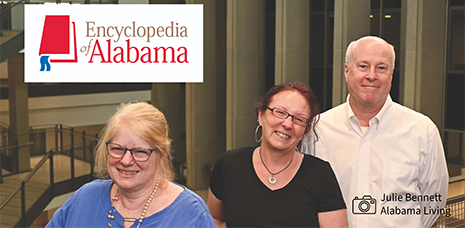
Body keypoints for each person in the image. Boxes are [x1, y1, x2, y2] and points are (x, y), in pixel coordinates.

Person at [302, 36, 449, 228]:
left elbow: (433, 200)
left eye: (381, 68)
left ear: (391, 74)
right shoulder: (318, 130)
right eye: (363, 66)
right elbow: (308, 195)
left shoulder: (422, 130)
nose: (372, 75)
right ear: (347, 71)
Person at [45, 102, 216, 228]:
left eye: (140, 152)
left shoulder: (193, 215)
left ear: (161, 156)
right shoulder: (84, 197)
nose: (126, 161)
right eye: (117, 149)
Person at [208, 81, 348, 228]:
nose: (288, 124)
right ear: (261, 115)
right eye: (280, 112)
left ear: (305, 131)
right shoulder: (229, 165)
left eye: (299, 119)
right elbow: (214, 218)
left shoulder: (320, 174)